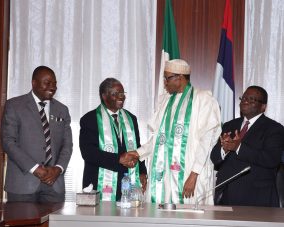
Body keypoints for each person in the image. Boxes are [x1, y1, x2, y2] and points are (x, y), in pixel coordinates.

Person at [122, 59, 221, 204]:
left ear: (179, 78)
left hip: (189, 172)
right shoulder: (166, 101)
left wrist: (194, 174)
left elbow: (207, 140)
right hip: (164, 175)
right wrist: (138, 153)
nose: (165, 82)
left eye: (167, 78)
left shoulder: (202, 99)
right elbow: (159, 139)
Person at [1, 66, 73, 202]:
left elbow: (67, 145)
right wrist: (35, 168)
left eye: (55, 83)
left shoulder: (62, 110)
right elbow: (8, 142)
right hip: (22, 184)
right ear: (34, 83)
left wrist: (58, 169)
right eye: (47, 83)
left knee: (53, 223)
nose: (52, 87)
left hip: (54, 185)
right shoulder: (14, 105)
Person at [210, 85, 284, 207]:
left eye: (251, 99)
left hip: (257, 198)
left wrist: (239, 147)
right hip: (226, 195)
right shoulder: (230, 125)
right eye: (243, 98)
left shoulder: (274, 129)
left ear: (263, 107)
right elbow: (215, 158)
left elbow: (272, 160)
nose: (245, 101)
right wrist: (224, 148)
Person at [79, 78, 147, 201]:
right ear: (104, 96)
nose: (121, 97)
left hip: (127, 183)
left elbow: (137, 147)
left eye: (122, 93)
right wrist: (119, 159)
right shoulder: (89, 119)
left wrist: (142, 171)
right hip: (99, 183)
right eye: (115, 94)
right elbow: (88, 153)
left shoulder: (131, 119)